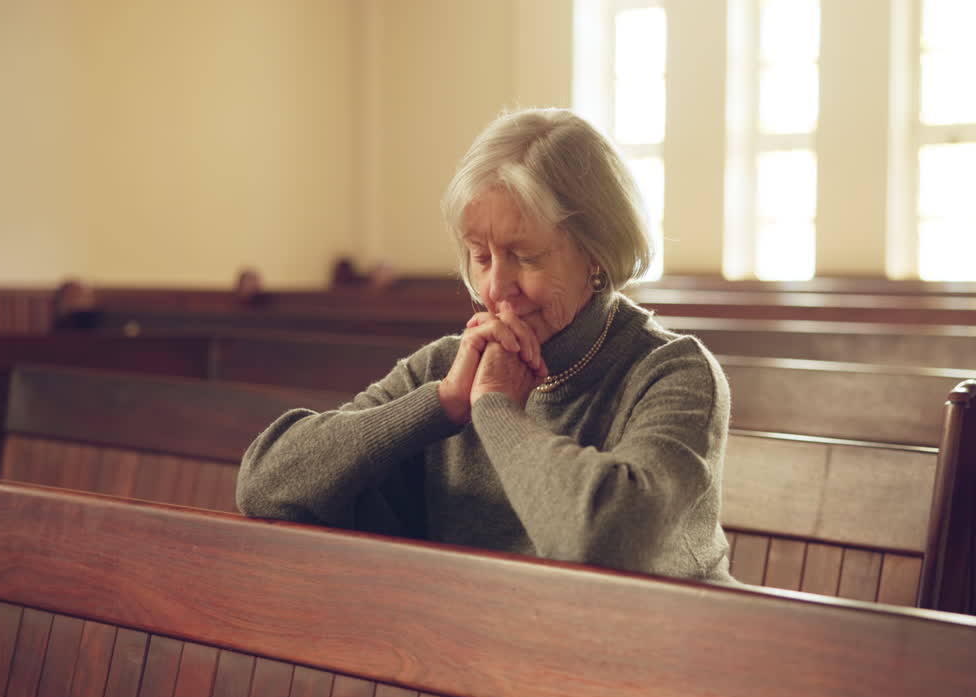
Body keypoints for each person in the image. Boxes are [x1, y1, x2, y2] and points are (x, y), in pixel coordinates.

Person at [236, 108, 733, 583]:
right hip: (485, 653)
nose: (496, 288)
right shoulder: (447, 367)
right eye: (480, 256)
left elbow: (603, 541)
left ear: (596, 254)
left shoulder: (673, 373)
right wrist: (442, 403)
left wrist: (494, 407)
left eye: (524, 256)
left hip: (656, 658)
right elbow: (264, 485)